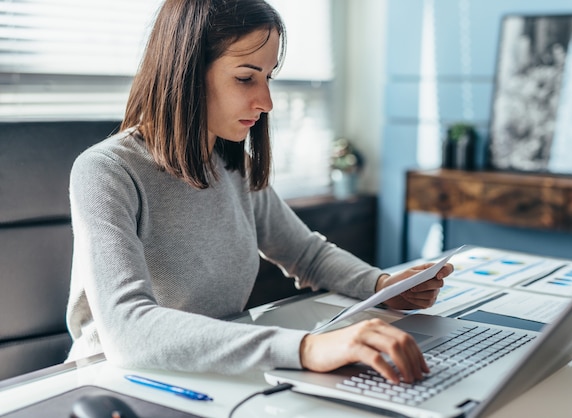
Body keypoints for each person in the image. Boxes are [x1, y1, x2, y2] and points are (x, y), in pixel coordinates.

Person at [65, 0, 452, 385]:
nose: (266, 102)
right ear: (185, 72)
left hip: (211, 374)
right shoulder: (105, 172)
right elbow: (127, 328)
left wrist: (382, 286)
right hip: (112, 381)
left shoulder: (234, 168)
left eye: (268, 77)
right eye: (246, 78)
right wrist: (307, 349)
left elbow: (307, 254)